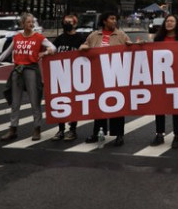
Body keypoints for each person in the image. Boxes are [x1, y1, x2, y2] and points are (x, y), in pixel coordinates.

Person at [0, 13, 56, 143]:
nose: (31, 24)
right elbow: (6, 53)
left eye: (32, 22)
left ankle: (37, 128)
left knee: (34, 99)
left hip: (31, 69)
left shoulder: (38, 37)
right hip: (17, 70)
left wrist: (44, 53)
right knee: (15, 101)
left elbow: (53, 47)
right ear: (22, 24)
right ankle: (13, 128)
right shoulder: (17, 37)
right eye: (28, 22)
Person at [80, 11, 131, 146]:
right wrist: (84, 47)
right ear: (104, 21)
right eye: (112, 18)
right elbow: (84, 46)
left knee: (117, 105)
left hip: (115, 76)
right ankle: (97, 133)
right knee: (99, 106)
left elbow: (130, 48)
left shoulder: (121, 35)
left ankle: (119, 134)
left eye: (115, 19)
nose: (114, 21)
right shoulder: (94, 35)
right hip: (98, 77)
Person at [151, 14, 178, 147]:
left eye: (172, 21)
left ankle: (176, 136)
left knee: (176, 108)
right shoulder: (158, 39)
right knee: (159, 107)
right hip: (161, 78)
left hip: (177, 78)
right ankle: (159, 134)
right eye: (167, 21)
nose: (169, 23)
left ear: (176, 23)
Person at [51, 14, 85, 142]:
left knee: (73, 104)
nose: (66, 24)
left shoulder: (80, 38)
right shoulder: (60, 38)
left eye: (69, 22)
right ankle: (61, 129)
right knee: (60, 103)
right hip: (60, 76)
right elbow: (53, 50)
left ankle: (73, 130)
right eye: (65, 22)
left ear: (75, 24)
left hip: (74, 76)